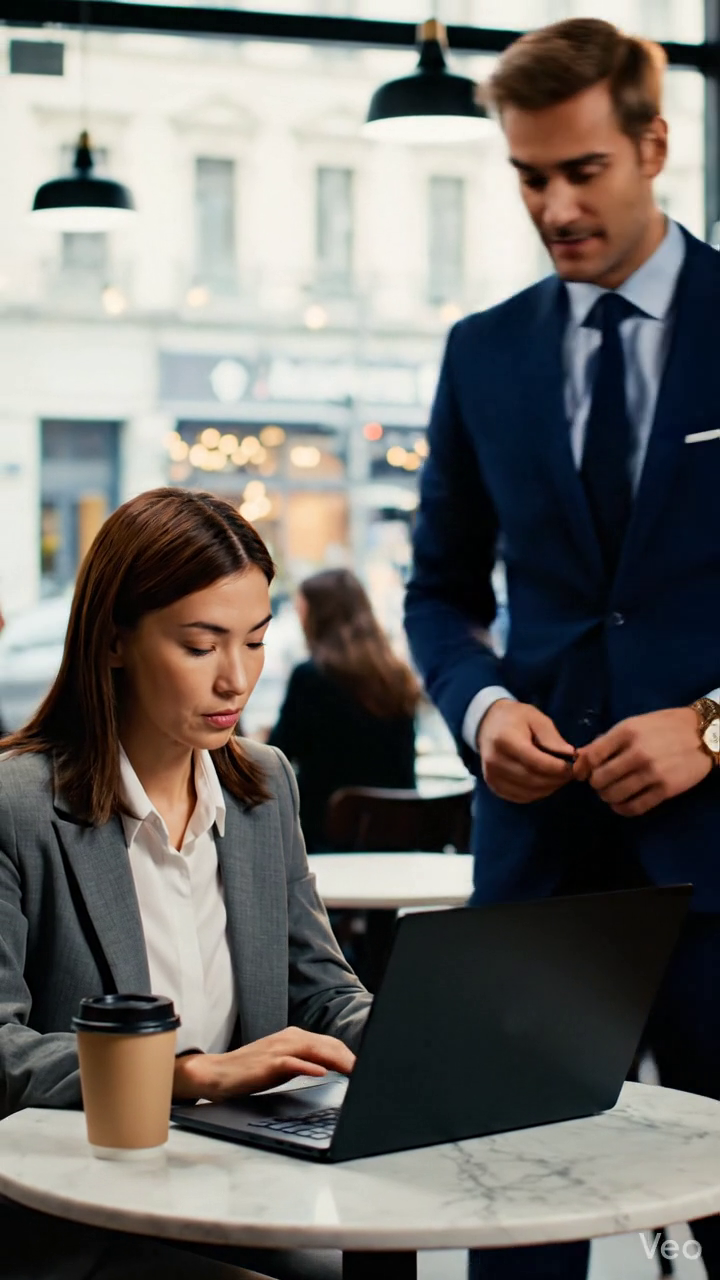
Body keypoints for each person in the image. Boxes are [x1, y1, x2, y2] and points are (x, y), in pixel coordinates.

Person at [405, 19, 720, 1280]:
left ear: (654, 145)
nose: (554, 205)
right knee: (509, 1226)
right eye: (530, 176)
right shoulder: (484, 351)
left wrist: (709, 725)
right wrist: (480, 708)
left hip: (717, 870)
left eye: (581, 169)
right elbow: (436, 591)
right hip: (535, 868)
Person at [0, 487, 371, 1280]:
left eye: (256, 642)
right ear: (113, 643)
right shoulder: (19, 807)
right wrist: (186, 1073)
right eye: (201, 646)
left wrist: (430, 1045)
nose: (237, 680)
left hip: (243, 1189)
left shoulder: (263, 788)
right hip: (74, 1214)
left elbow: (322, 996)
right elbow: (3, 1049)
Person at [269, 569, 418, 852]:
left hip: (324, 842)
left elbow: (278, 757)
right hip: (397, 843)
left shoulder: (311, 677)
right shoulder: (397, 676)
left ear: (316, 617)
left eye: (302, 611)